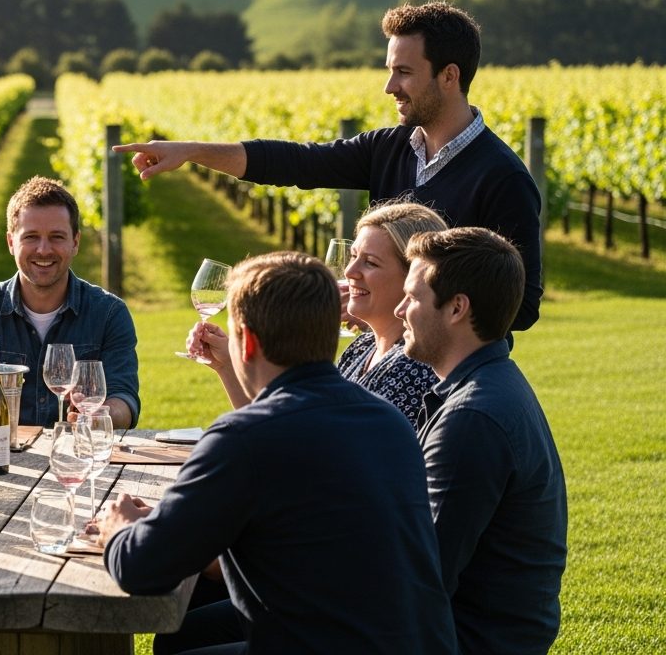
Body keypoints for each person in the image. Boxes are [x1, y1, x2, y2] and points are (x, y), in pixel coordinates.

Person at [96, 251, 455, 655]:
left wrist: (119, 529)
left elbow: (141, 569)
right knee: (183, 637)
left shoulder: (244, 437)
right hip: (413, 642)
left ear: (246, 342)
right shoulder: (388, 421)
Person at [114, 1, 543, 334]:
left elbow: (520, 308)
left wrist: (403, 309)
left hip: (450, 378)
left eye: (404, 72)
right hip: (384, 355)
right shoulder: (388, 147)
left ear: (449, 76)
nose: (389, 87)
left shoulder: (502, 178)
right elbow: (295, 162)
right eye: (390, 71)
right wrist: (191, 151)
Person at [396, 227, 567, 654]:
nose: (400, 310)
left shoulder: (473, 418)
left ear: (457, 308)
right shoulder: (486, 385)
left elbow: (419, 579)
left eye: (413, 298)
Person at [189, 201, 445, 429]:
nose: (351, 271)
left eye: (371, 262)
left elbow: (300, 442)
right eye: (354, 256)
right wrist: (226, 366)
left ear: (414, 276)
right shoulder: (362, 348)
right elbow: (284, 427)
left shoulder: (415, 366)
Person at [0, 175, 139, 428]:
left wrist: (100, 414)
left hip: (77, 457)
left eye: (57, 237)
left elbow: (124, 399)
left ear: (75, 242)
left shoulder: (109, 314)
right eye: (31, 237)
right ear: (11, 243)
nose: (43, 250)